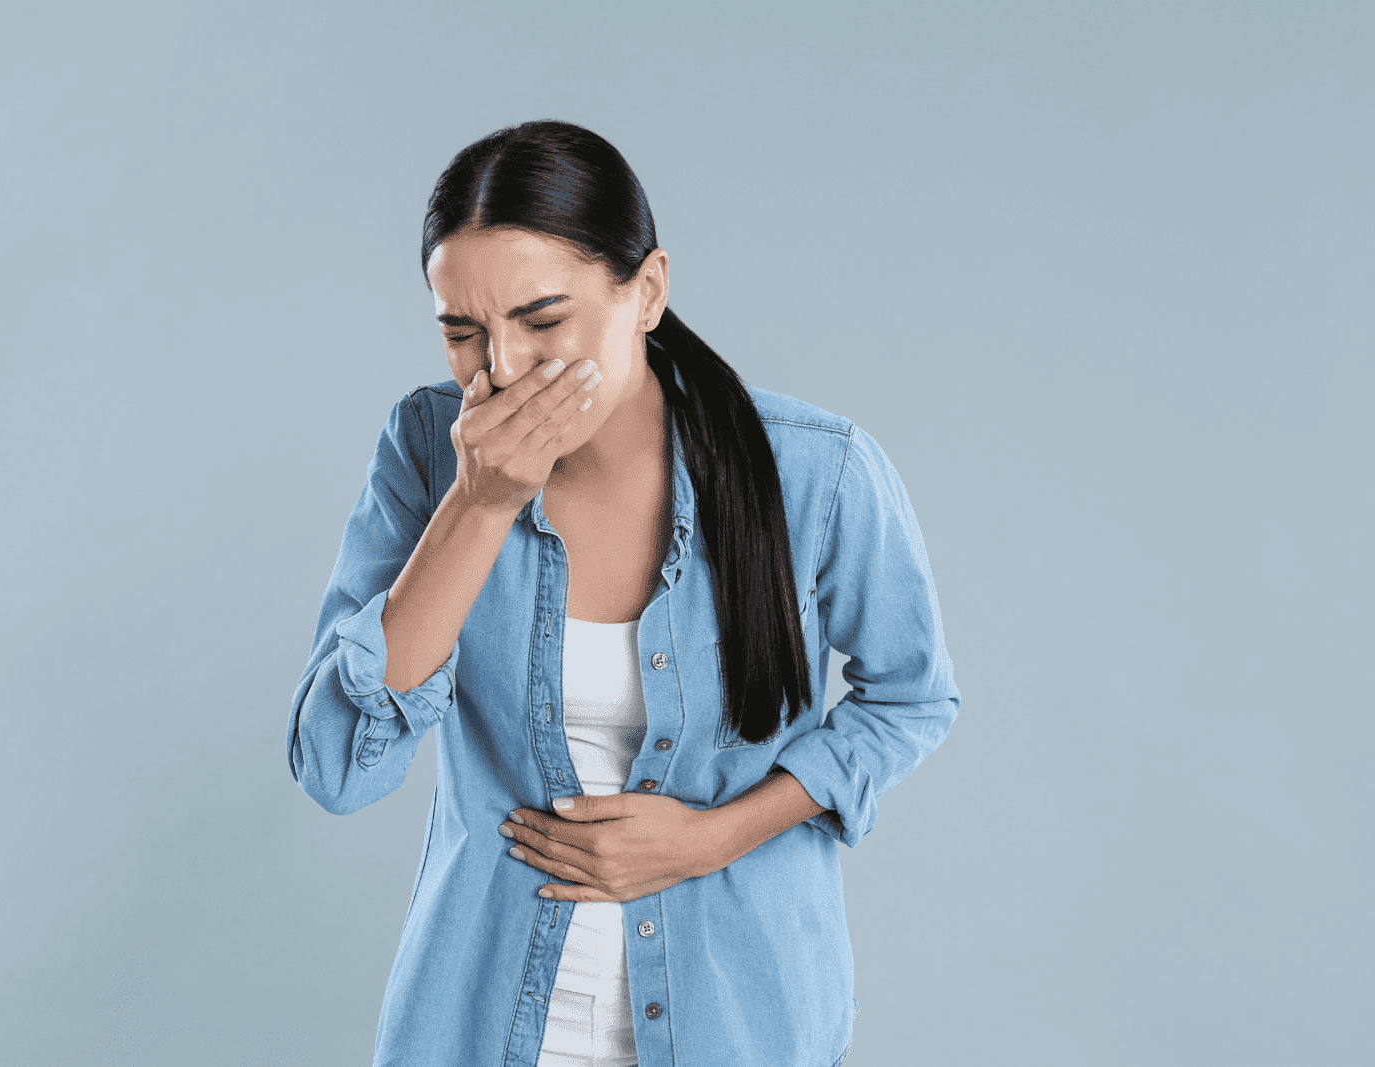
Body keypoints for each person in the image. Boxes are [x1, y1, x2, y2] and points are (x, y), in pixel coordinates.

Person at [287, 119, 959, 1067]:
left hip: (739, 1024)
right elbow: (336, 766)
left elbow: (912, 696)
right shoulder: (429, 452)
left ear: (646, 292)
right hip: (485, 1026)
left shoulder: (819, 471)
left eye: (542, 320)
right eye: (462, 332)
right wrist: (481, 504)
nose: (501, 369)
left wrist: (711, 839)